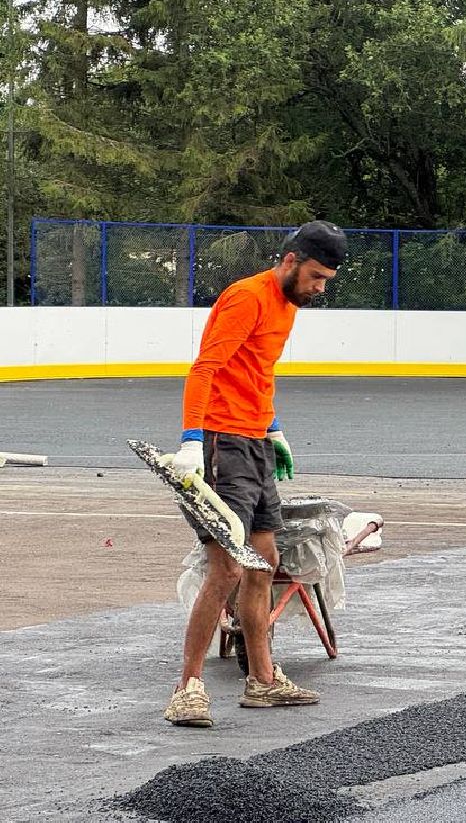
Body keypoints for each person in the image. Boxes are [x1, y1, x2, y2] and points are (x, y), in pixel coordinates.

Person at [162, 220, 347, 728]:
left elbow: (257, 371)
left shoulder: (288, 306)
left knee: (264, 562)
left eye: (326, 279)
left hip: (255, 442)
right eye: (314, 275)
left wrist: (275, 427)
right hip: (222, 443)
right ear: (289, 261)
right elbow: (206, 368)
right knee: (227, 568)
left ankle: (262, 682)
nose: (319, 287)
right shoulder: (247, 298)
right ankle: (189, 687)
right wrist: (193, 441)